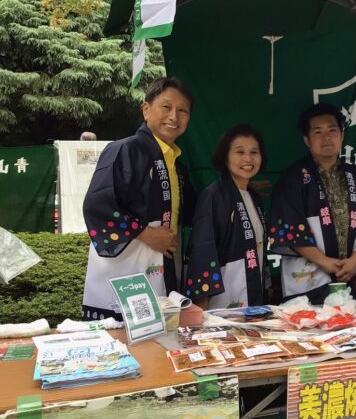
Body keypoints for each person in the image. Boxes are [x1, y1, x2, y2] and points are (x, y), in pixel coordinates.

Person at [82, 77, 195, 320]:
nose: (174, 116)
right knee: (123, 335)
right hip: (128, 269)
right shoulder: (125, 149)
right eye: (166, 106)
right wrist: (145, 233)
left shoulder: (177, 165)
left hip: (162, 268)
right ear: (146, 109)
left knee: (161, 333)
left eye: (182, 110)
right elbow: (98, 205)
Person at [269, 103, 356, 304]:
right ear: (307, 140)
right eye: (318, 132)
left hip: (351, 273)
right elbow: (289, 227)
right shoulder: (293, 177)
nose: (326, 137)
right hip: (310, 279)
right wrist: (325, 262)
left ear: (342, 135)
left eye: (332, 130)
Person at [185, 124, 270, 309]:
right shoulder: (214, 195)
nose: (248, 158)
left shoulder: (254, 197)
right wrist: (201, 302)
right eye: (240, 152)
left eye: (254, 152)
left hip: (252, 291)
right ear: (225, 157)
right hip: (222, 300)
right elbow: (202, 247)